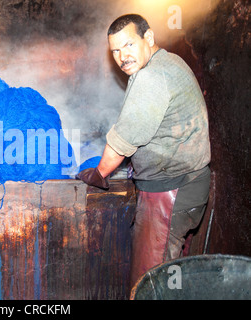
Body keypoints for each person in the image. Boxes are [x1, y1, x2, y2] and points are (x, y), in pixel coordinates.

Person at [77, 14, 211, 293]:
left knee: (150, 278)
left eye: (128, 45)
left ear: (148, 38)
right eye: (115, 50)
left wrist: (98, 174)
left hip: (171, 192)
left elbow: (122, 141)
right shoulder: (169, 61)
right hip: (191, 185)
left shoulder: (150, 77)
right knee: (172, 271)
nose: (122, 56)